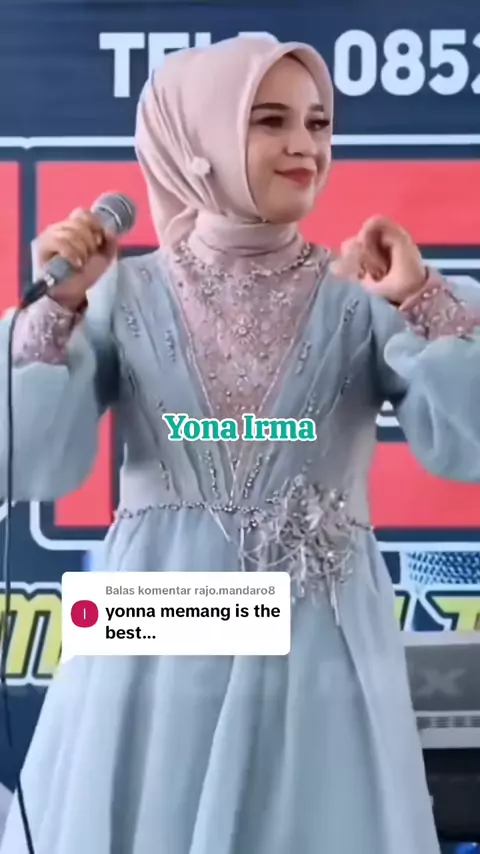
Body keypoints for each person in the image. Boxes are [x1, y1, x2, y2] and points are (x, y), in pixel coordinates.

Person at [1, 35, 480, 854]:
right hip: (157, 627)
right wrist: (57, 311)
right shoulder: (124, 292)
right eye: (270, 121)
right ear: (199, 138)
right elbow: (31, 454)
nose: (305, 146)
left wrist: (422, 299)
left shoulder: (359, 295)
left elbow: (465, 440)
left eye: (318, 123)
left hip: (319, 637)